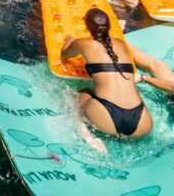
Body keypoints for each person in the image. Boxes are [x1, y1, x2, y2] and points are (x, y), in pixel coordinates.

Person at [61, 8, 152, 138]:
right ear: (109, 26)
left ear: (86, 26)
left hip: (105, 114)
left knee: (82, 92)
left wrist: (70, 40)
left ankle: (84, 131)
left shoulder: (82, 43)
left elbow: (64, 54)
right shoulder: (121, 43)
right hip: (142, 121)